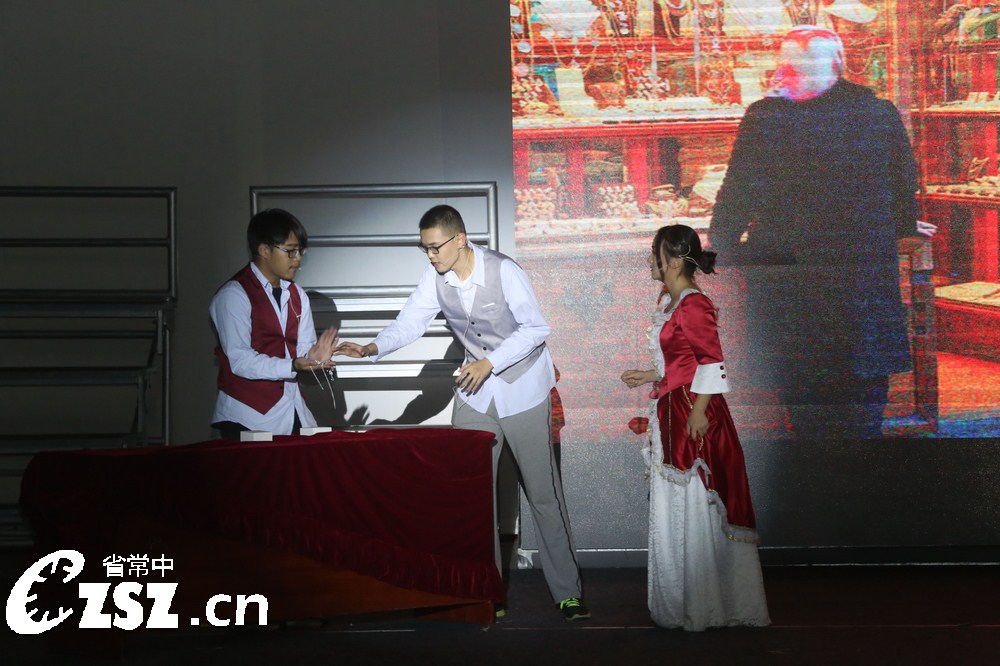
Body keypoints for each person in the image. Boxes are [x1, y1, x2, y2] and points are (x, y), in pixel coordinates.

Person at [334, 204, 589, 621]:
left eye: (436, 247)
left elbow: (536, 329)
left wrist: (490, 362)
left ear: (460, 239)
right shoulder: (434, 278)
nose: (431, 255)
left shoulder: (504, 270)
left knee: (543, 494)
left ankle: (567, 592)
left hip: (524, 389)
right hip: (475, 394)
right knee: (473, 497)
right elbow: (409, 323)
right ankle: (486, 591)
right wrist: (372, 347)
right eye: (425, 248)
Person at [708, 25, 932, 439]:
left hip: (805, 272)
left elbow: (739, 189)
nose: (789, 74)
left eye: (797, 65)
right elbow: (903, 185)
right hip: (850, 270)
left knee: (812, 386)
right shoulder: (874, 113)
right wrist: (901, 227)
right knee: (854, 381)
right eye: (786, 65)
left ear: (834, 65)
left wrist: (722, 243)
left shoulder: (769, 117)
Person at [621, 224, 769, 631]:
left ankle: (704, 605)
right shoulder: (672, 302)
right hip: (674, 407)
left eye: (655, 254)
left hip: (691, 412)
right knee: (677, 502)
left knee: (694, 502)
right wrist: (652, 374)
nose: (650, 261)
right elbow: (683, 361)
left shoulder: (693, 304)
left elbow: (712, 361)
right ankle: (685, 602)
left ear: (671, 260)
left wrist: (700, 412)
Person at [210, 208, 338, 439]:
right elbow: (240, 360)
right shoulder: (234, 295)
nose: (297, 258)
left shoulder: (297, 295)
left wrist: (314, 356)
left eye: (301, 251)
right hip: (246, 416)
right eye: (290, 251)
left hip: (292, 409)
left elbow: (300, 351)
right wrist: (294, 365)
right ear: (264, 250)